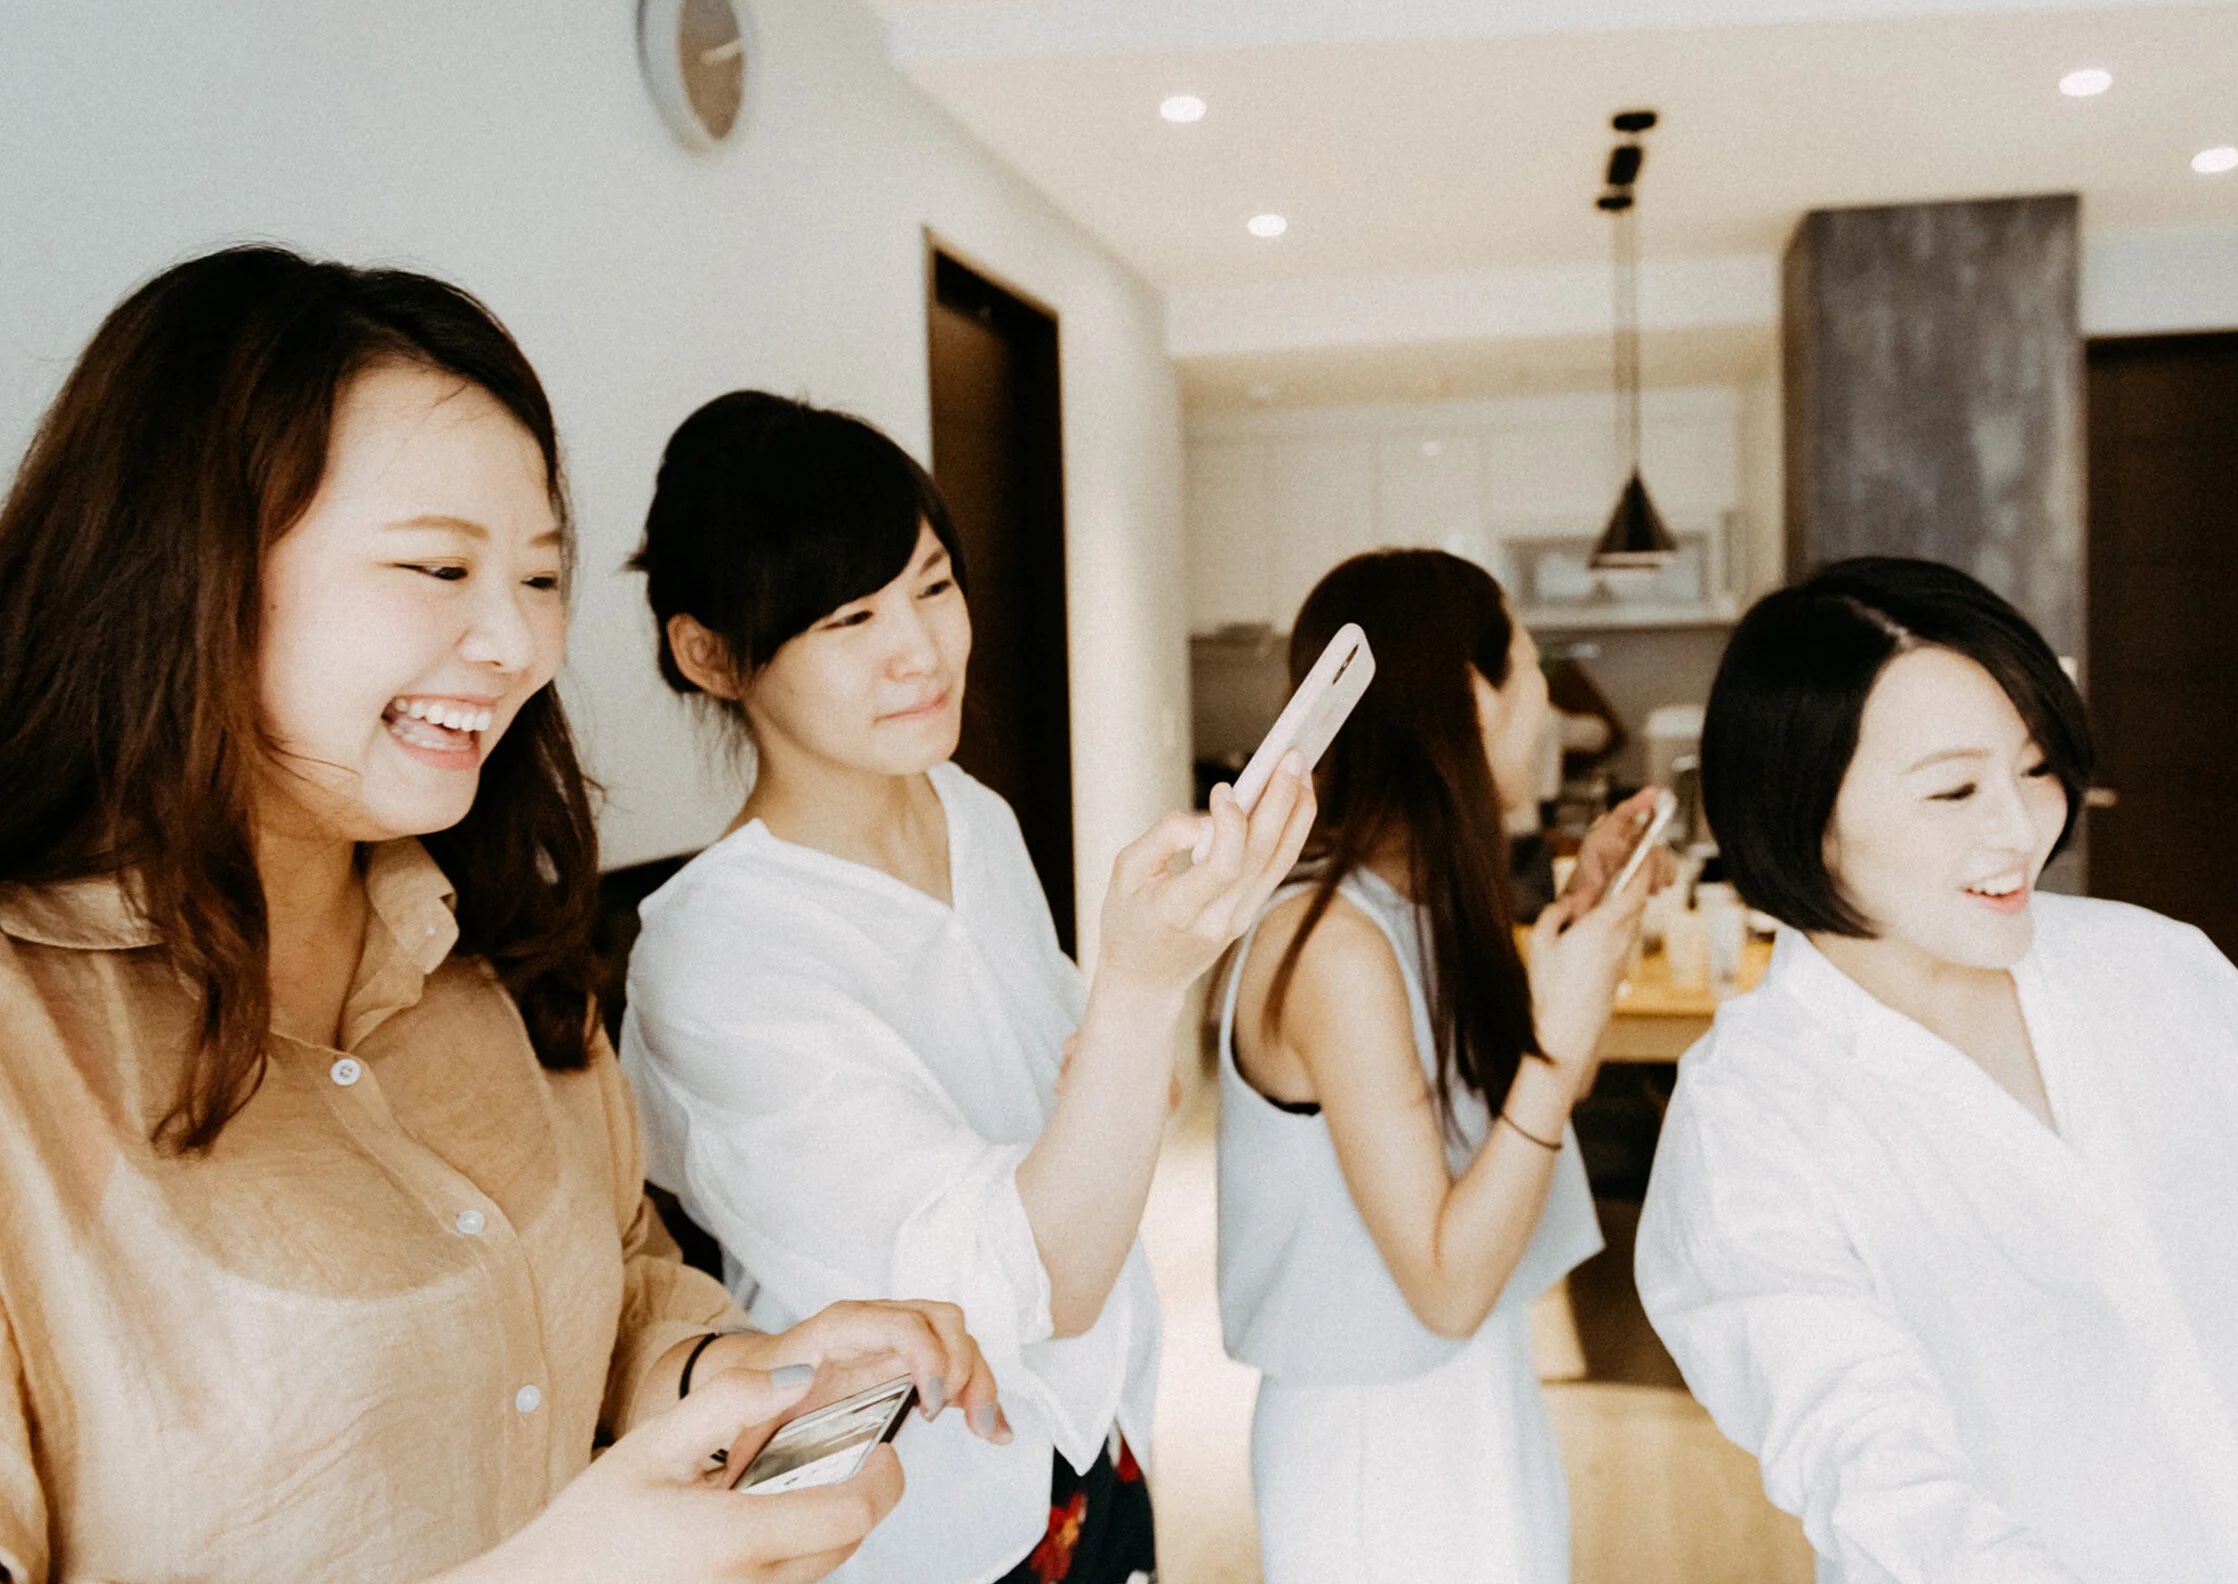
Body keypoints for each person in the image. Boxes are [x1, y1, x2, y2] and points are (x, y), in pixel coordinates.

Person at [0, 246, 1006, 1584]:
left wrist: (742, 1371)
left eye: (537, 579)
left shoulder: (495, 952)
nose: (518, 645)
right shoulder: (29, 1049)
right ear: (183, 565)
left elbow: (619, 1282)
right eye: (436, 569)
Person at [1635, 556, 2238, 1581]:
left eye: (2038, 768)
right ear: (1799, 809)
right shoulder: (1752, 1118)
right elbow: (1884, 1481)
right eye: (1954, 789)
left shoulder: (2159, 970)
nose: (2020, 827)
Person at [617, 391, 1317, 1584]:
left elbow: (1096, 1104)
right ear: (709, 655)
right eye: (850, 617)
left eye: (933, 587)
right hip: (905, 1513)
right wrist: (1141, 992)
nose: (921, 651)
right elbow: (1032, 1283)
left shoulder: (968, 810)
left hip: (1090, 1435)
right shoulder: (716, 955)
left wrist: (1117, 1049)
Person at [1215, 549, 1666, 1584]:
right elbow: (1445, 1285)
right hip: (1377, 1444)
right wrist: (1557, 1037)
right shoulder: (1331, 947)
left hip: (1472, 1392)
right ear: (1475, 694)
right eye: (1535, 671)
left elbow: (1528, 1116)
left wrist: (1588, 931)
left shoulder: (1418, 905)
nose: (1549, 708)